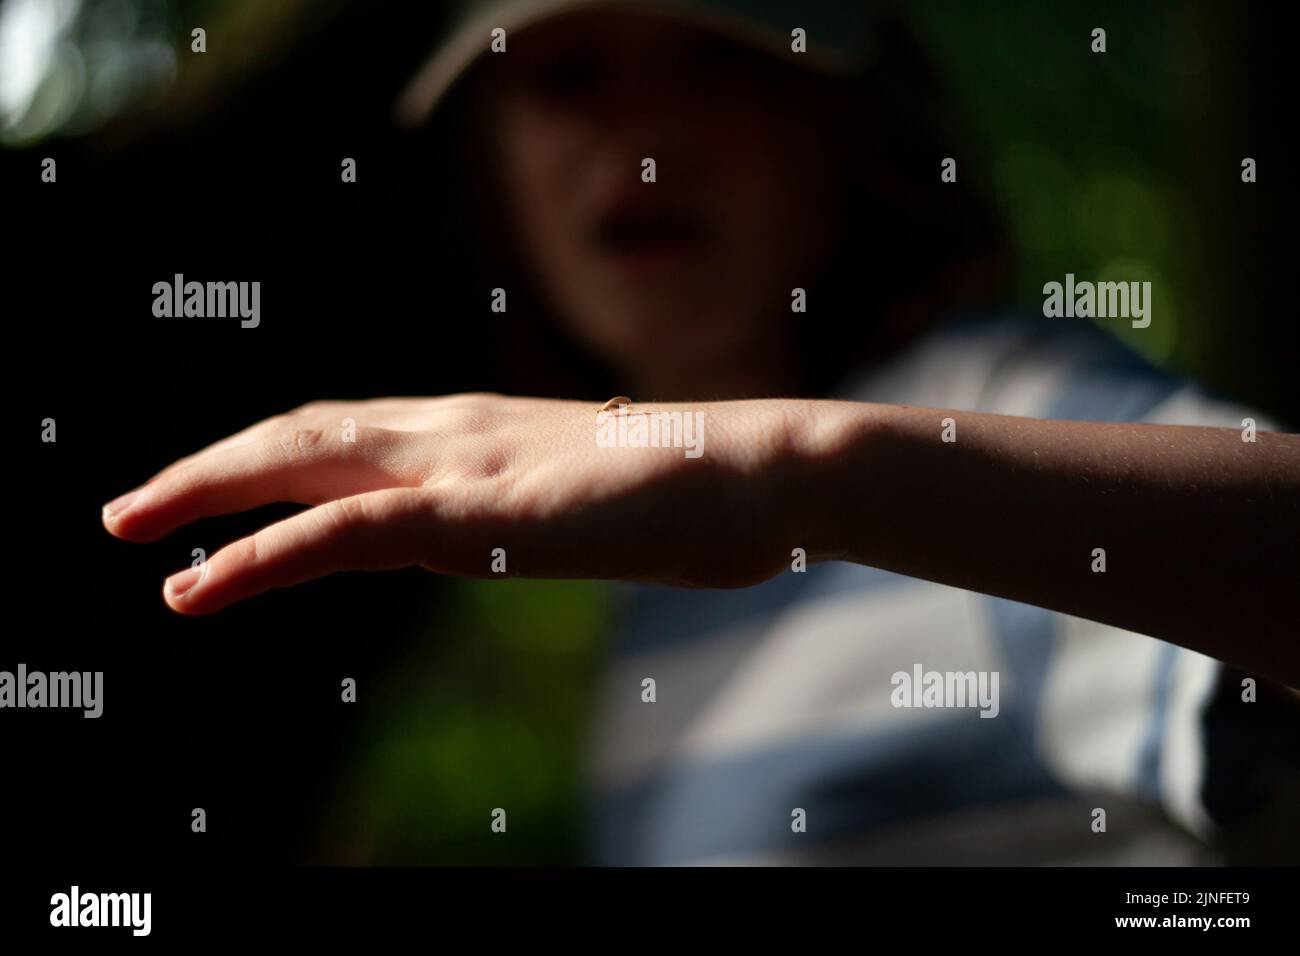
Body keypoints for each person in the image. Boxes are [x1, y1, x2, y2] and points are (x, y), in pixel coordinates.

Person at [102, 0, 1298, 864]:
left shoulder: (992, 405)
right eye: (565, 75)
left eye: (718, 58)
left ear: (854, 121)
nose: (645, 134)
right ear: (492, 163)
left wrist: (794, 474)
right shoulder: (654, 582)